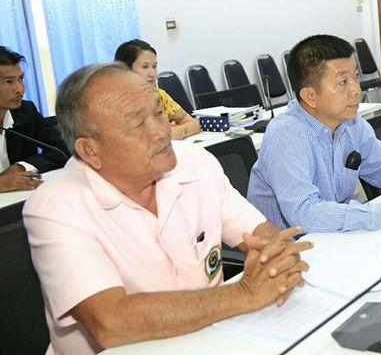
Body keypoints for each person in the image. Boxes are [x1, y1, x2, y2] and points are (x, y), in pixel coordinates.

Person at [23, 64, 311, 354]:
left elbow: (258, 231)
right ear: (90, 150)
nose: (161, 131)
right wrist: (245, 293)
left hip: (212, 339)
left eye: (159, 113)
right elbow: (111, 322)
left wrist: (276, 255)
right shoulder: (56, 206)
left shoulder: (194, 161)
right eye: (137, 124)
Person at [248, 35, 381, 234]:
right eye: (343, 82)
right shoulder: (286, 134)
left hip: (333, 236)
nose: (356, 90)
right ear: (310, 96)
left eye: (356, 76)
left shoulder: (351, 123)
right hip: (290, 248)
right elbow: (304, 213)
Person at [0, 46, 67, 192]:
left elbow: (62, 149)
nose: (19, 89)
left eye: (20, 79)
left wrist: (21, 167)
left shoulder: (25, 111)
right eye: (8, 81)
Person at [115, 39, 200, 140]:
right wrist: (172, 131)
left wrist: (175, 132)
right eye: (145, 67)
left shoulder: (159, 95)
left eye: (154, 66)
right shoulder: (116, 102)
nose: (152, 73)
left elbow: (194, 124)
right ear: (125, 69)